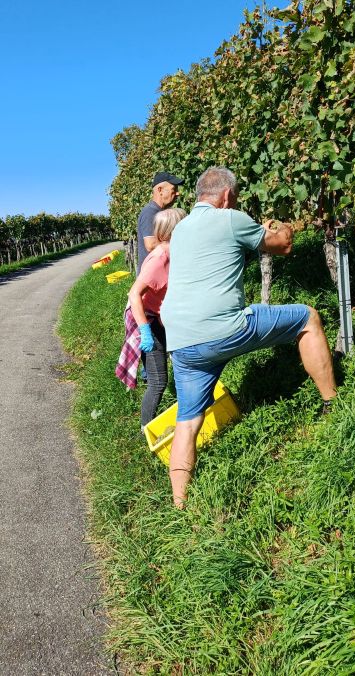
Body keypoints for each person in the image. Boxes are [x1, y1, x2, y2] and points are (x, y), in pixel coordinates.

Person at [161, 167, 337, 507]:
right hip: (222, 328)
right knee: (308, 318)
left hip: (181, 340)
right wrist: (279, 227)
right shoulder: (230, 218)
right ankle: (333, 403)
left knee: (188, 421)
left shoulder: (180, 229)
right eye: (237, 196)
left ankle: (179, 504)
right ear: (227, 195)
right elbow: (283, 246)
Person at [116, 207, 186, 429]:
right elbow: (134, 294)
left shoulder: (177, 252)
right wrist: (145, 330)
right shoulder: (160, 258)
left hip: (158, 315)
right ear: (174, 231)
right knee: (158, 381)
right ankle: (146, 430)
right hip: (145, 317)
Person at [137, 171, 184, 274]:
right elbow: (151, 245)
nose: (177, 193)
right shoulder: (150, 212)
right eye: (174, 189)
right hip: (151, 277)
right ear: (160, 190)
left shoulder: (159, 212)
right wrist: (181, 245)